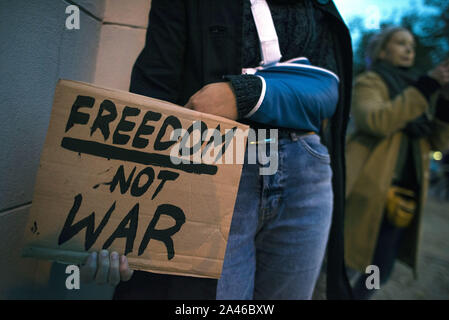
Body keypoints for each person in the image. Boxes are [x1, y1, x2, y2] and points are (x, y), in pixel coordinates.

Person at [81, 0, 354, 300]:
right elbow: (155, 89)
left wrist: (245, 94)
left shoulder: (318, 4)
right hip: (216, 163)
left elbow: (329, 90)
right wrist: (122, 215)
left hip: (304, 170)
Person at [344, 26, 449, 299]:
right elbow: (377, 122)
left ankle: (358, 297)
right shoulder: (371, 82)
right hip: (368, 191)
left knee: (380, 266)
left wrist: (445, 102)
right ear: (382, 49)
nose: (408, 49)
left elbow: (438, 143)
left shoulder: (418, 90)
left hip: (403, 196)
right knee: (349, 257)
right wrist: (425, 87)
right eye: (401, 43)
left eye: (411, 45)